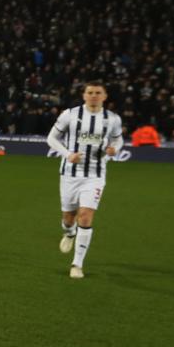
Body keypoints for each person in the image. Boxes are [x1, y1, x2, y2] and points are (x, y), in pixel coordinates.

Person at [47, 82, 123, 280]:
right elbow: (51, 138)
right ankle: (69, 232)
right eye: (90, 92)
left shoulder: (112, 119)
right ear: (84, 95)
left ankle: (77, 264)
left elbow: (118, 139)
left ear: (104, 96)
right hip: (70, 174)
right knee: (68, 218)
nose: (94, 95)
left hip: (95, 175)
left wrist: (115, 149)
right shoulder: (70, 115)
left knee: (86, 216)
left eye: (98, 92)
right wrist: (67, 154)